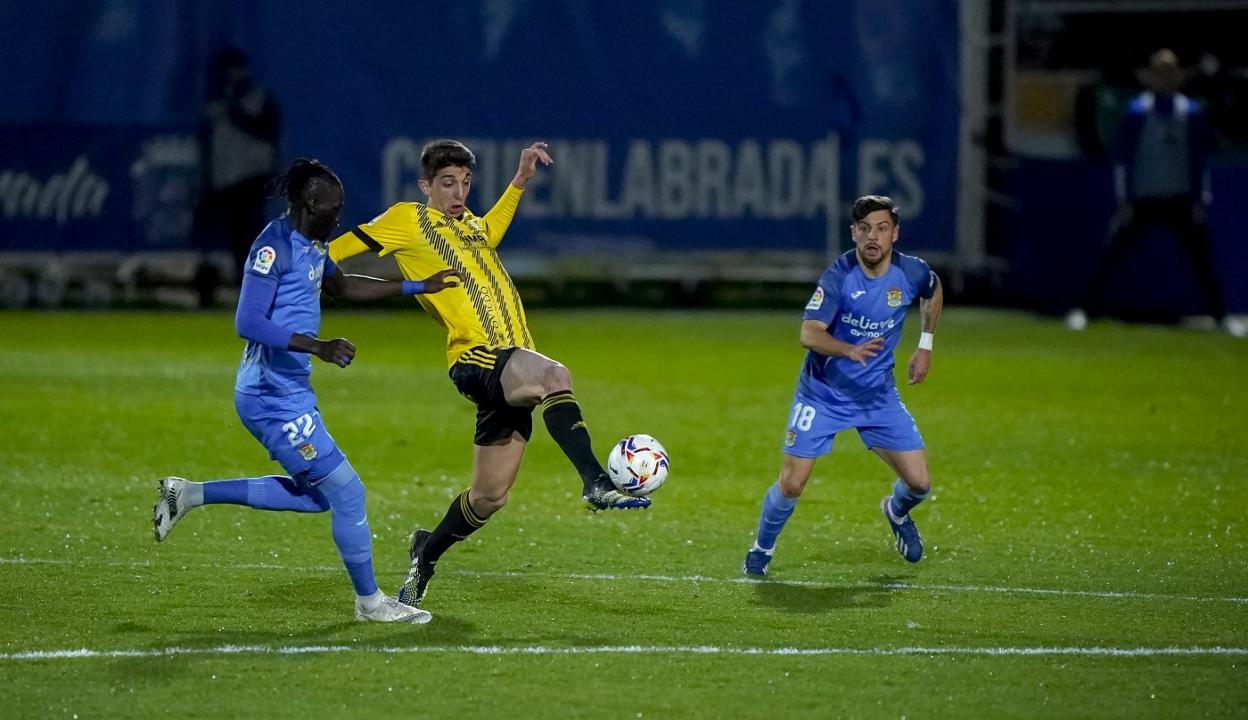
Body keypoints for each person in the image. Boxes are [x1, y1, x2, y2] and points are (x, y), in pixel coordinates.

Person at [327, 139, 649, 608]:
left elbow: (491, 229)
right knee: (556, 376)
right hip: (476, 358)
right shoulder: (406, 219)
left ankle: (425, 553)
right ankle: (596, 482)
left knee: (488, 498)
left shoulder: (472, 228)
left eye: (465, 183)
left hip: (511, 366)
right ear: (425, 186)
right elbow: (334, 252)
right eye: (447, 183)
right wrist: (404, 285)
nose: (458, 192)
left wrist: (518, 181)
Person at [152, 159, 460, 623]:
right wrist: (317, 346)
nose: (338, 220)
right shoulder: (273, 247)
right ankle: (371, 603)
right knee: (348, 493)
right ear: (308, 204)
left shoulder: (315, 244)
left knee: (319, 497)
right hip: (270, 396)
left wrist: (418, 285)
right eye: (332, 210)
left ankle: (190, 494)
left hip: (287, 392)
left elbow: (344, 286)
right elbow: (248, 322)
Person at [743, 195, 943, 576]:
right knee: (792, 484)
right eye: (865, 229)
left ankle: (896, 511)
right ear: (853, 233)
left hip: (877, 398)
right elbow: (808, 333)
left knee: (920, 483)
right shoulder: (839, 277)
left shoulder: (911, 273)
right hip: (822, 397)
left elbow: (933, 290)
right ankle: (761, 550)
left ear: (894, 234)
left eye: (882, 229)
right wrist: (847, 350)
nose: (873, 237)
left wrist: (925, 345)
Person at [1066, 49, 1245, 338]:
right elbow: (1123, 159)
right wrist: (1124, 200)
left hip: (1181, 200)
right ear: (1152, 77)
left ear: (1177, 77)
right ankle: (1082, 311)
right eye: (1159, 73)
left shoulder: (1191, 113)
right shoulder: (1138, 112)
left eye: (1170, 73)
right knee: (1110, 256)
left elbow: (1199, 160)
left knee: (1203, 262)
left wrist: (1201, 199)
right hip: (1142, 201)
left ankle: (1222, 317)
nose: (1165, 79)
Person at [191, 47, 282, 308]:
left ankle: (257, 293)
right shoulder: (214, 105)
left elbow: (266, 131)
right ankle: (217, 292)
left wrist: (235, 109)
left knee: (250, 237)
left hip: (251, 178)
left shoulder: (259, 99)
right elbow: (209, 143)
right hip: (223, 180)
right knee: (220, 241)